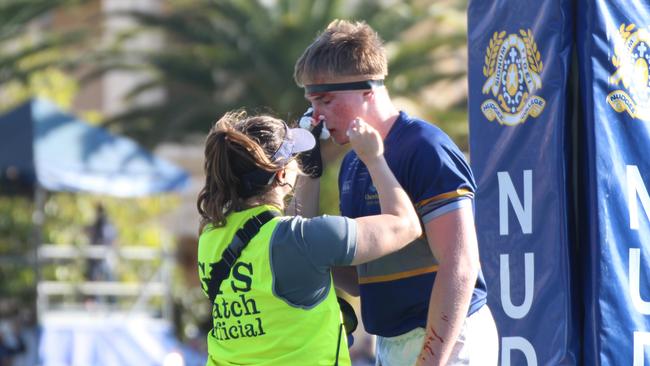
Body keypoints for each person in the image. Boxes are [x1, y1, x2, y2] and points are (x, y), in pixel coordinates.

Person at [293, 20, 499, 365]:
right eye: (312, 103)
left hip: (450, 342)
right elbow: (363, 280)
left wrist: (431, 359)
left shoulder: (424, 147)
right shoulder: (352, 165)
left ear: (367, 89)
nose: (315, 115)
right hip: (392, 344)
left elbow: (460, 263)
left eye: (325, 100)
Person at [196, 110, 422, 365]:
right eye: (295, 157)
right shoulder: (299, 240)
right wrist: (374, 158)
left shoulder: (210, 237)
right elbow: (405, 225)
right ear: (282, 175)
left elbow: (278, 234)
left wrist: (312, 171)